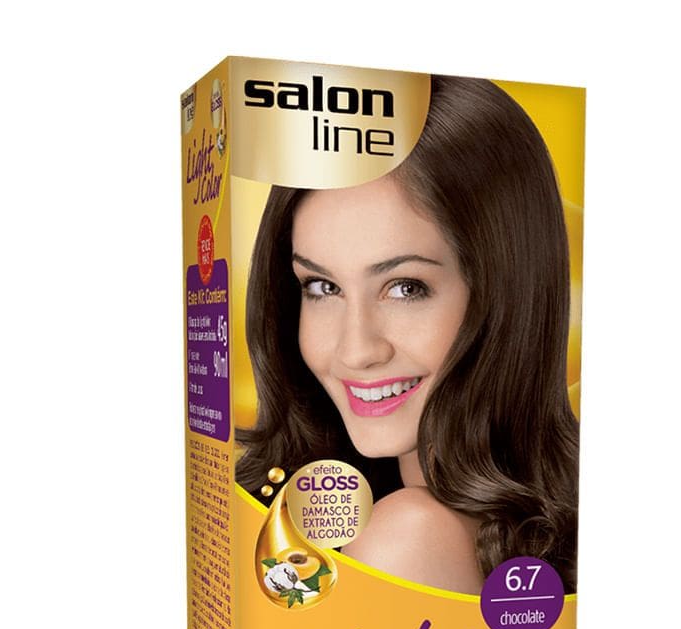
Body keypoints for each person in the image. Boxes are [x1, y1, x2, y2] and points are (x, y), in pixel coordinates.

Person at [236, 75, 578, 595]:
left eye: (405, 288)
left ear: (509, 290)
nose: (356, 351)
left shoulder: (410, 537)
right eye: (322, 286)